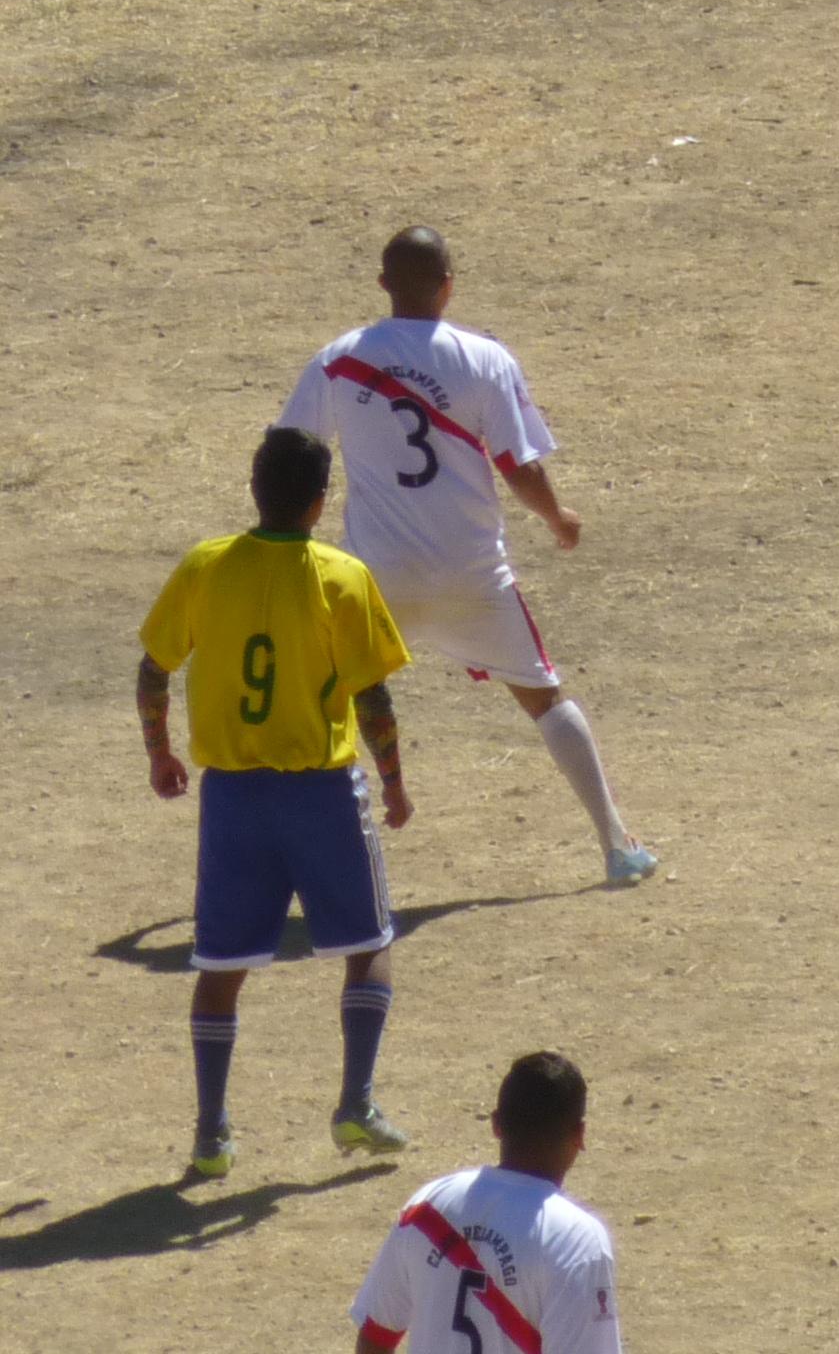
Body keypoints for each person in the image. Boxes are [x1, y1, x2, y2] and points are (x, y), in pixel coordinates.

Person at [281, 229, 657, 891]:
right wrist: (558, 517)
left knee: (320, 708)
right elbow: (518, 465)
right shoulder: (485, 359)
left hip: (374, 577)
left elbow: (291, 454)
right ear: (449, 285)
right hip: (472, 574)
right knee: (544, 697)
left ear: (382, 285)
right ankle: (616, 844)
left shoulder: (339, 359)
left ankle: (296, 866)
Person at [138, 423, 416, 1179]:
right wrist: (394, 781)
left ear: (254, 489)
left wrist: (160, 752)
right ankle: (356, 1104)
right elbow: (373, 697)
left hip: (233, 800)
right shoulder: (341, 577)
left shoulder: (205, 566)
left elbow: (153, 669)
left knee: (220, 965)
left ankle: (210, 1133)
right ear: (320, 502)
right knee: (369, 946)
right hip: (322, 793)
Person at [352, 1048, 623, 1354]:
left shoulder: (427, 1207)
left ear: (496, 1125)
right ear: (580, 1134)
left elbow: (375, 1338)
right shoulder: (576, 1240)